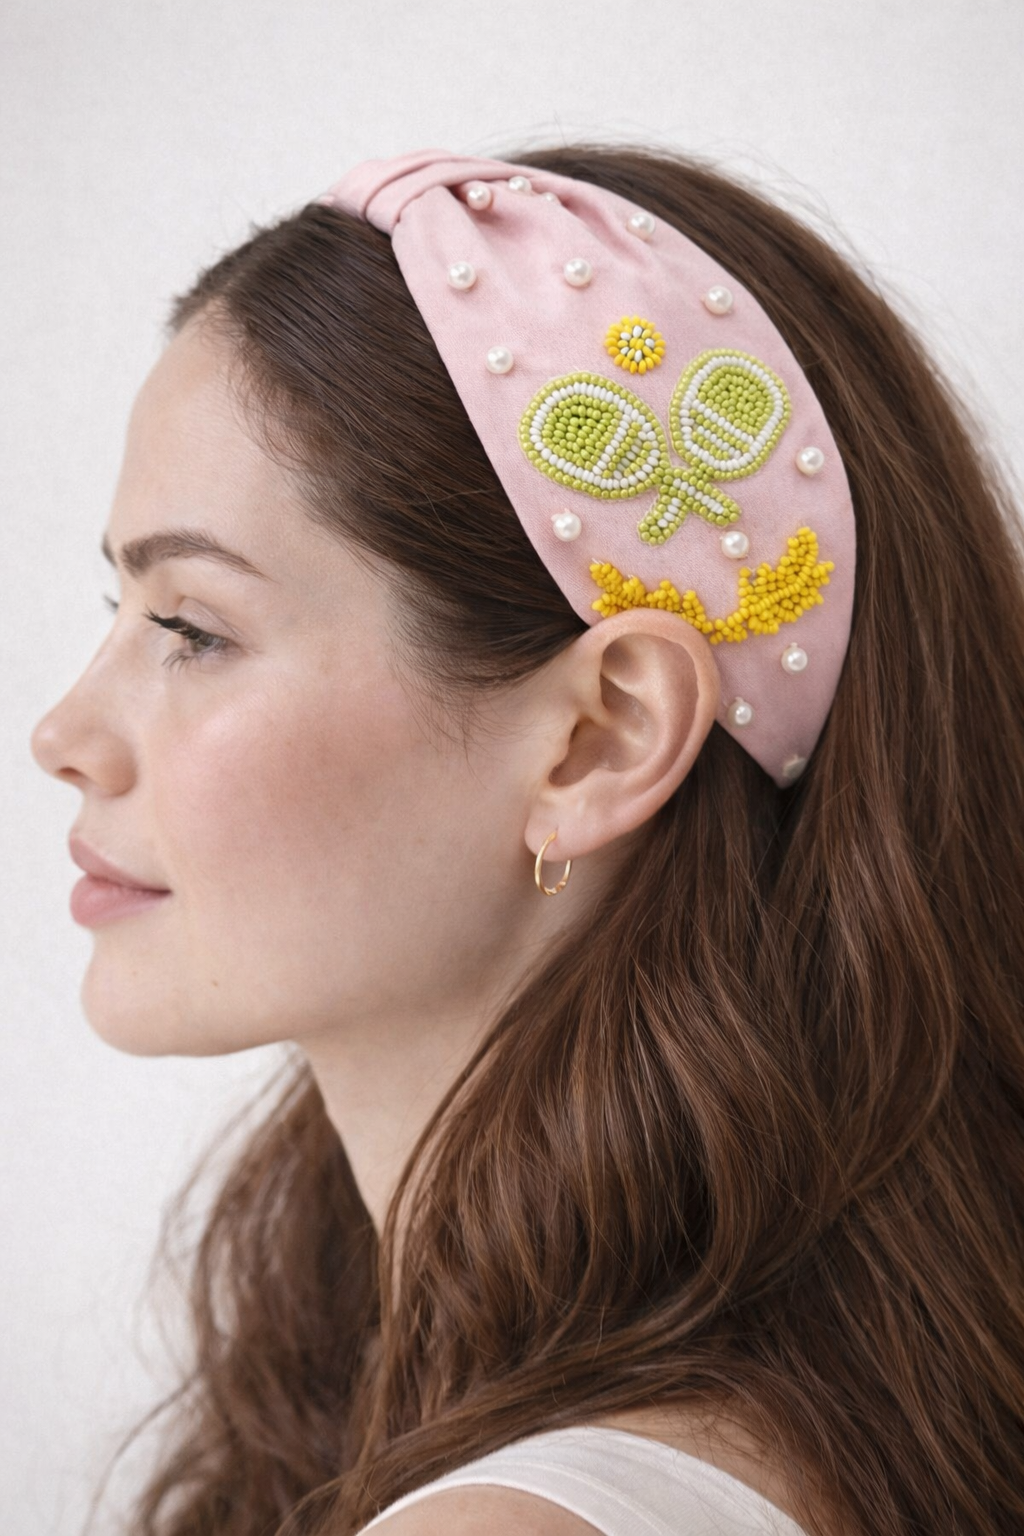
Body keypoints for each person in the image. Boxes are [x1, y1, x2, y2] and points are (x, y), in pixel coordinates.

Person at [29, 143, 1024, 1536]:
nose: (64, 730)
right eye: (117, 612)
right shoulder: (835, 1413)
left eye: (190, 628)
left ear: (599, 739)